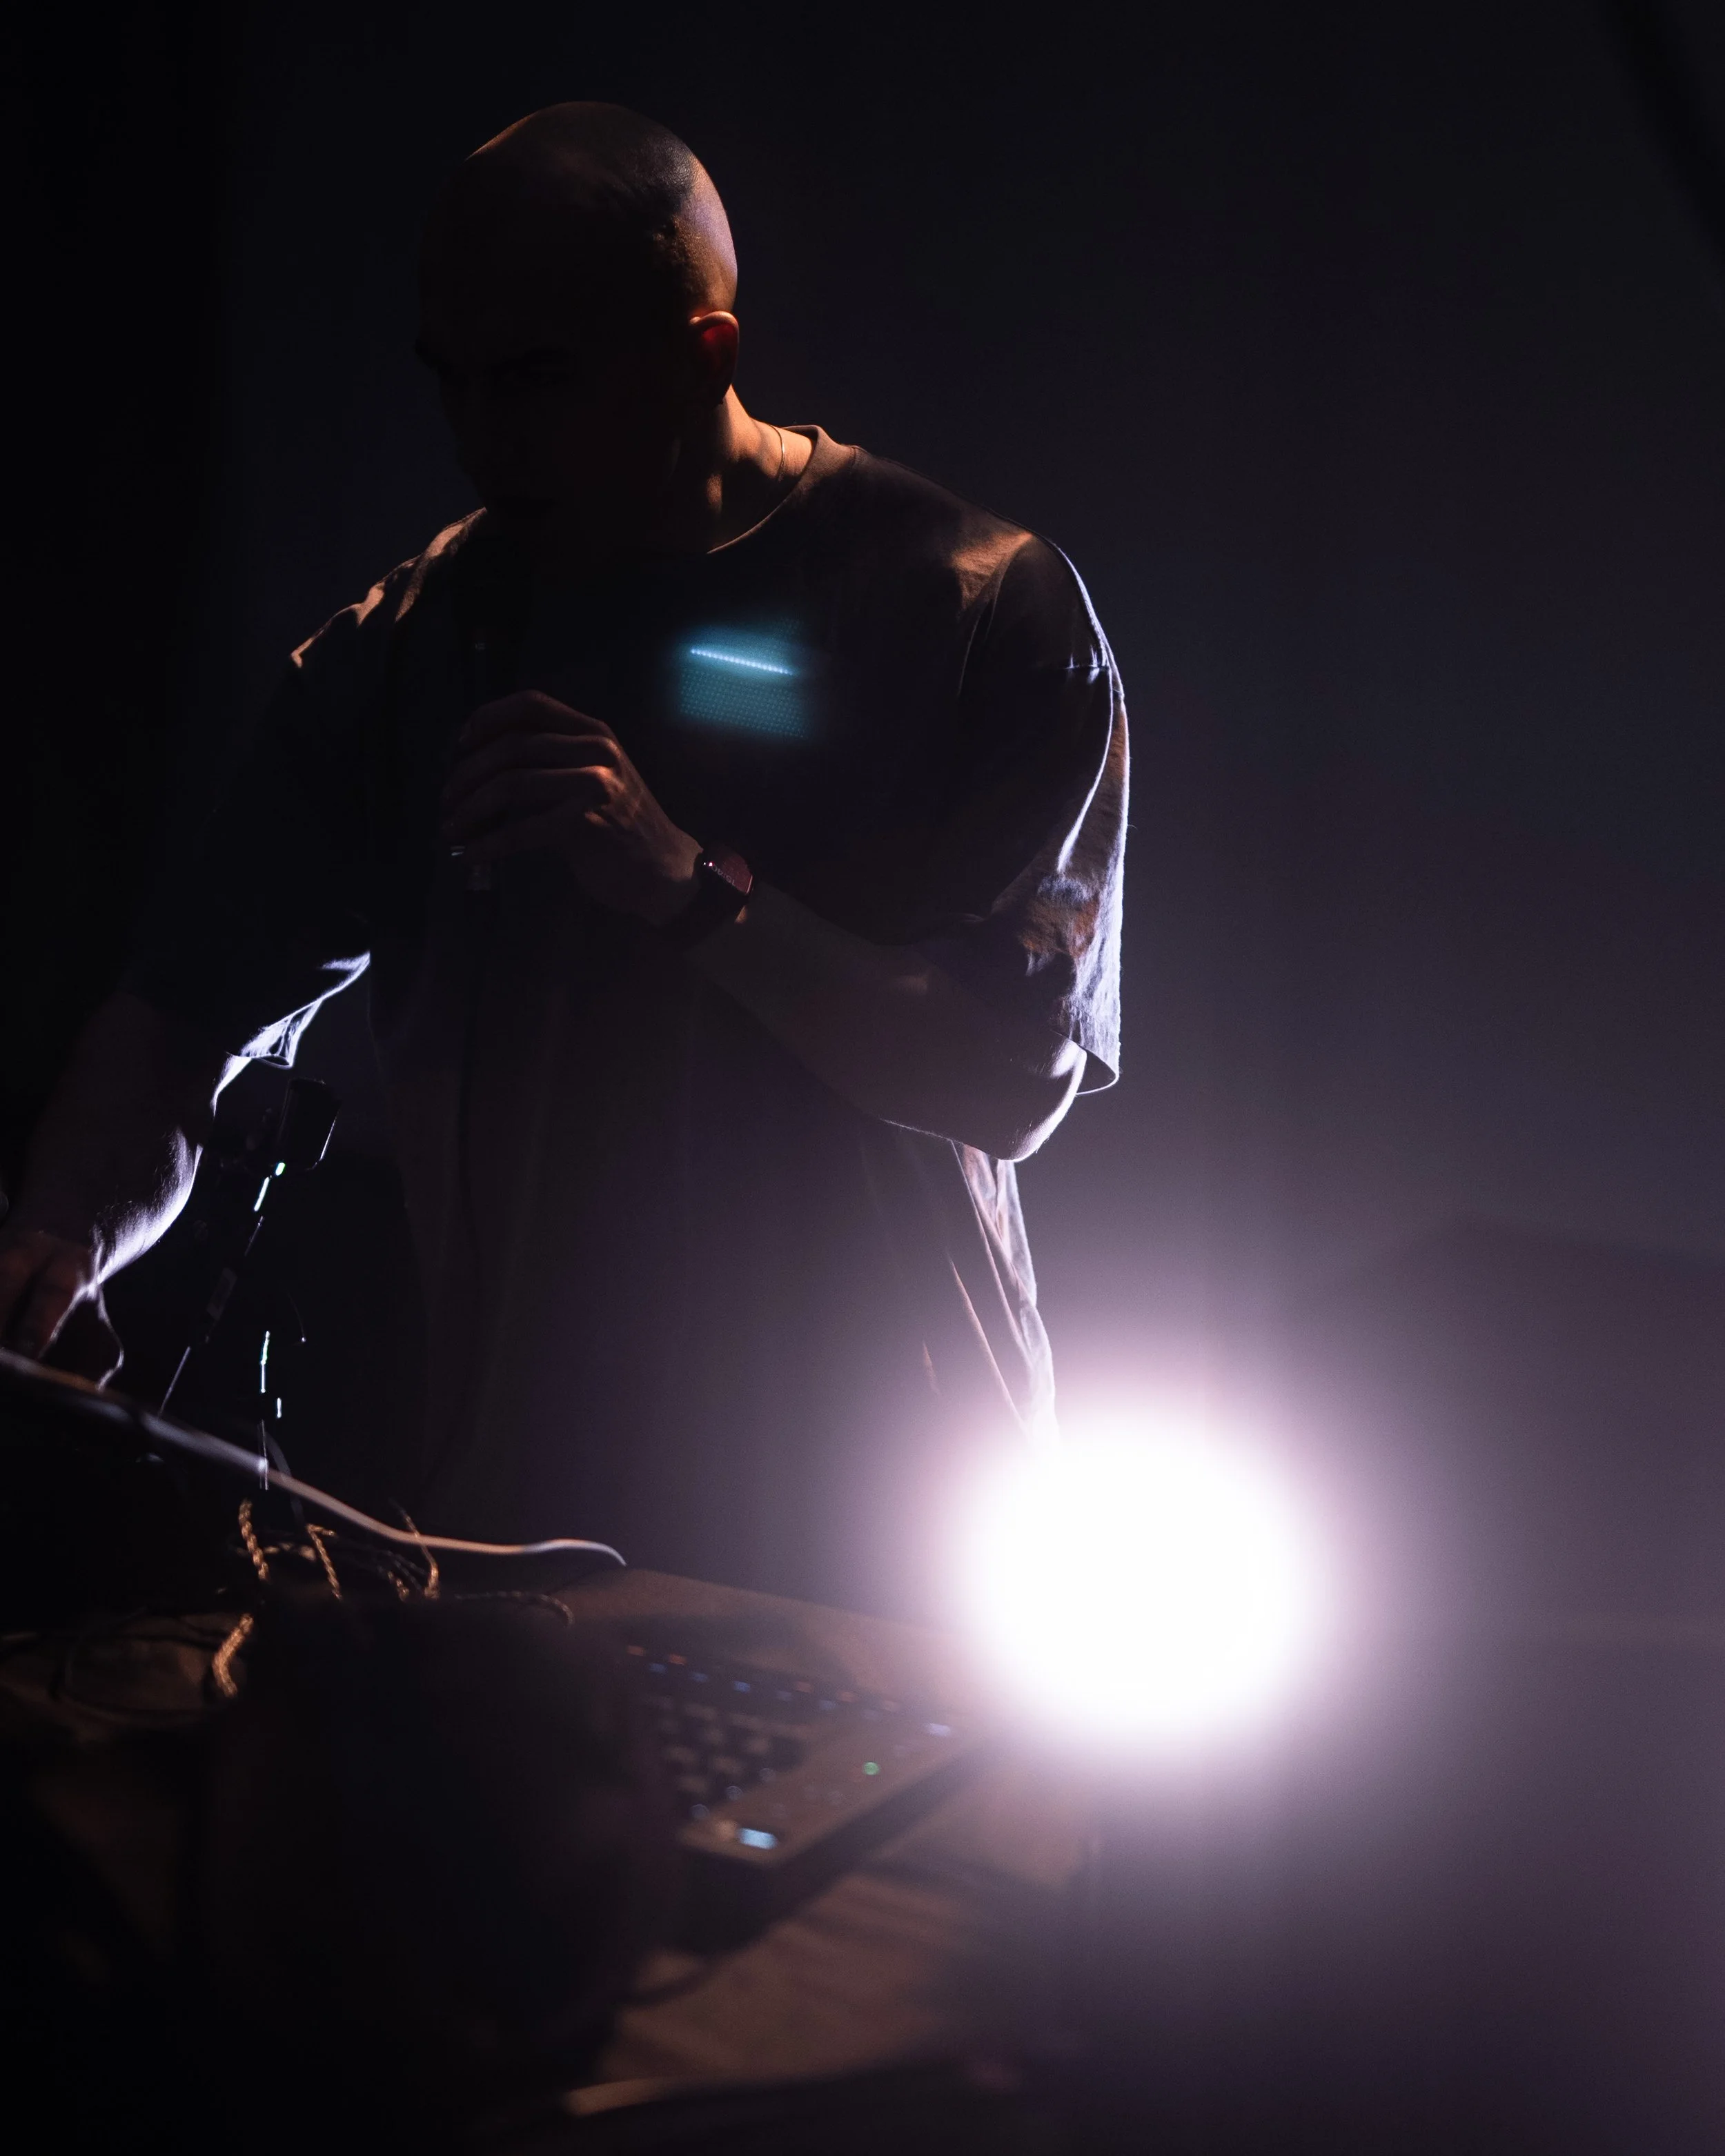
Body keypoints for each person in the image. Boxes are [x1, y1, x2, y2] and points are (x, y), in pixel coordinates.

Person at [0, 103, 1126, 1618]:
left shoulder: (980, 612)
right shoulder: (401, 656)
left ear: (702, 351)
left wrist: (682, 885)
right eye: (449, 381)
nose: (478, 437)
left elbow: (1006, 1077)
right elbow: (182, 1013)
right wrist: (56, 1243)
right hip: (521, 1556)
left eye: (535, 379)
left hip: (894, 1560)